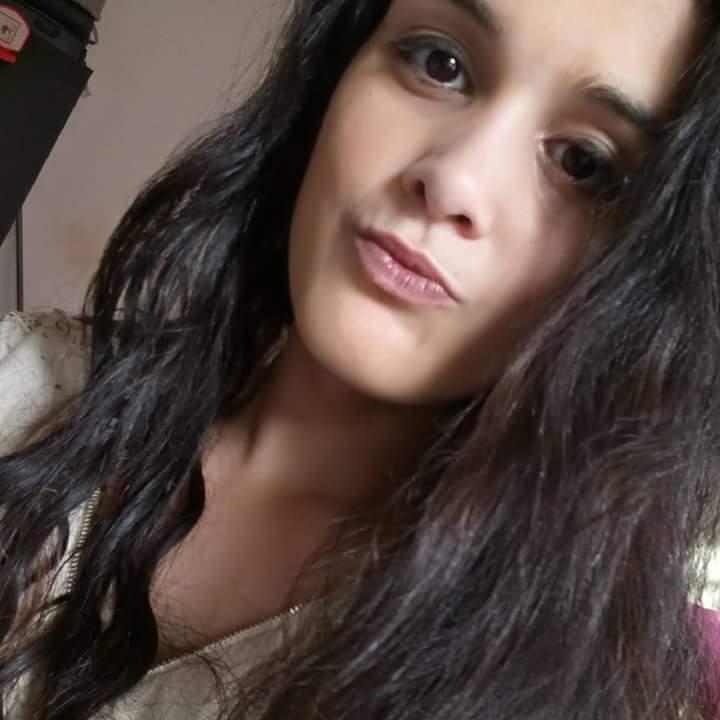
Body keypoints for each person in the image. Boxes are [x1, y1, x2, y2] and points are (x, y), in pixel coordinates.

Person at [1, 0, 720, 717]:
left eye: (583, 164)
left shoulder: (556, 686)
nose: (454, 181)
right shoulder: (22, 376)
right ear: (337, 65)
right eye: (440, 63)